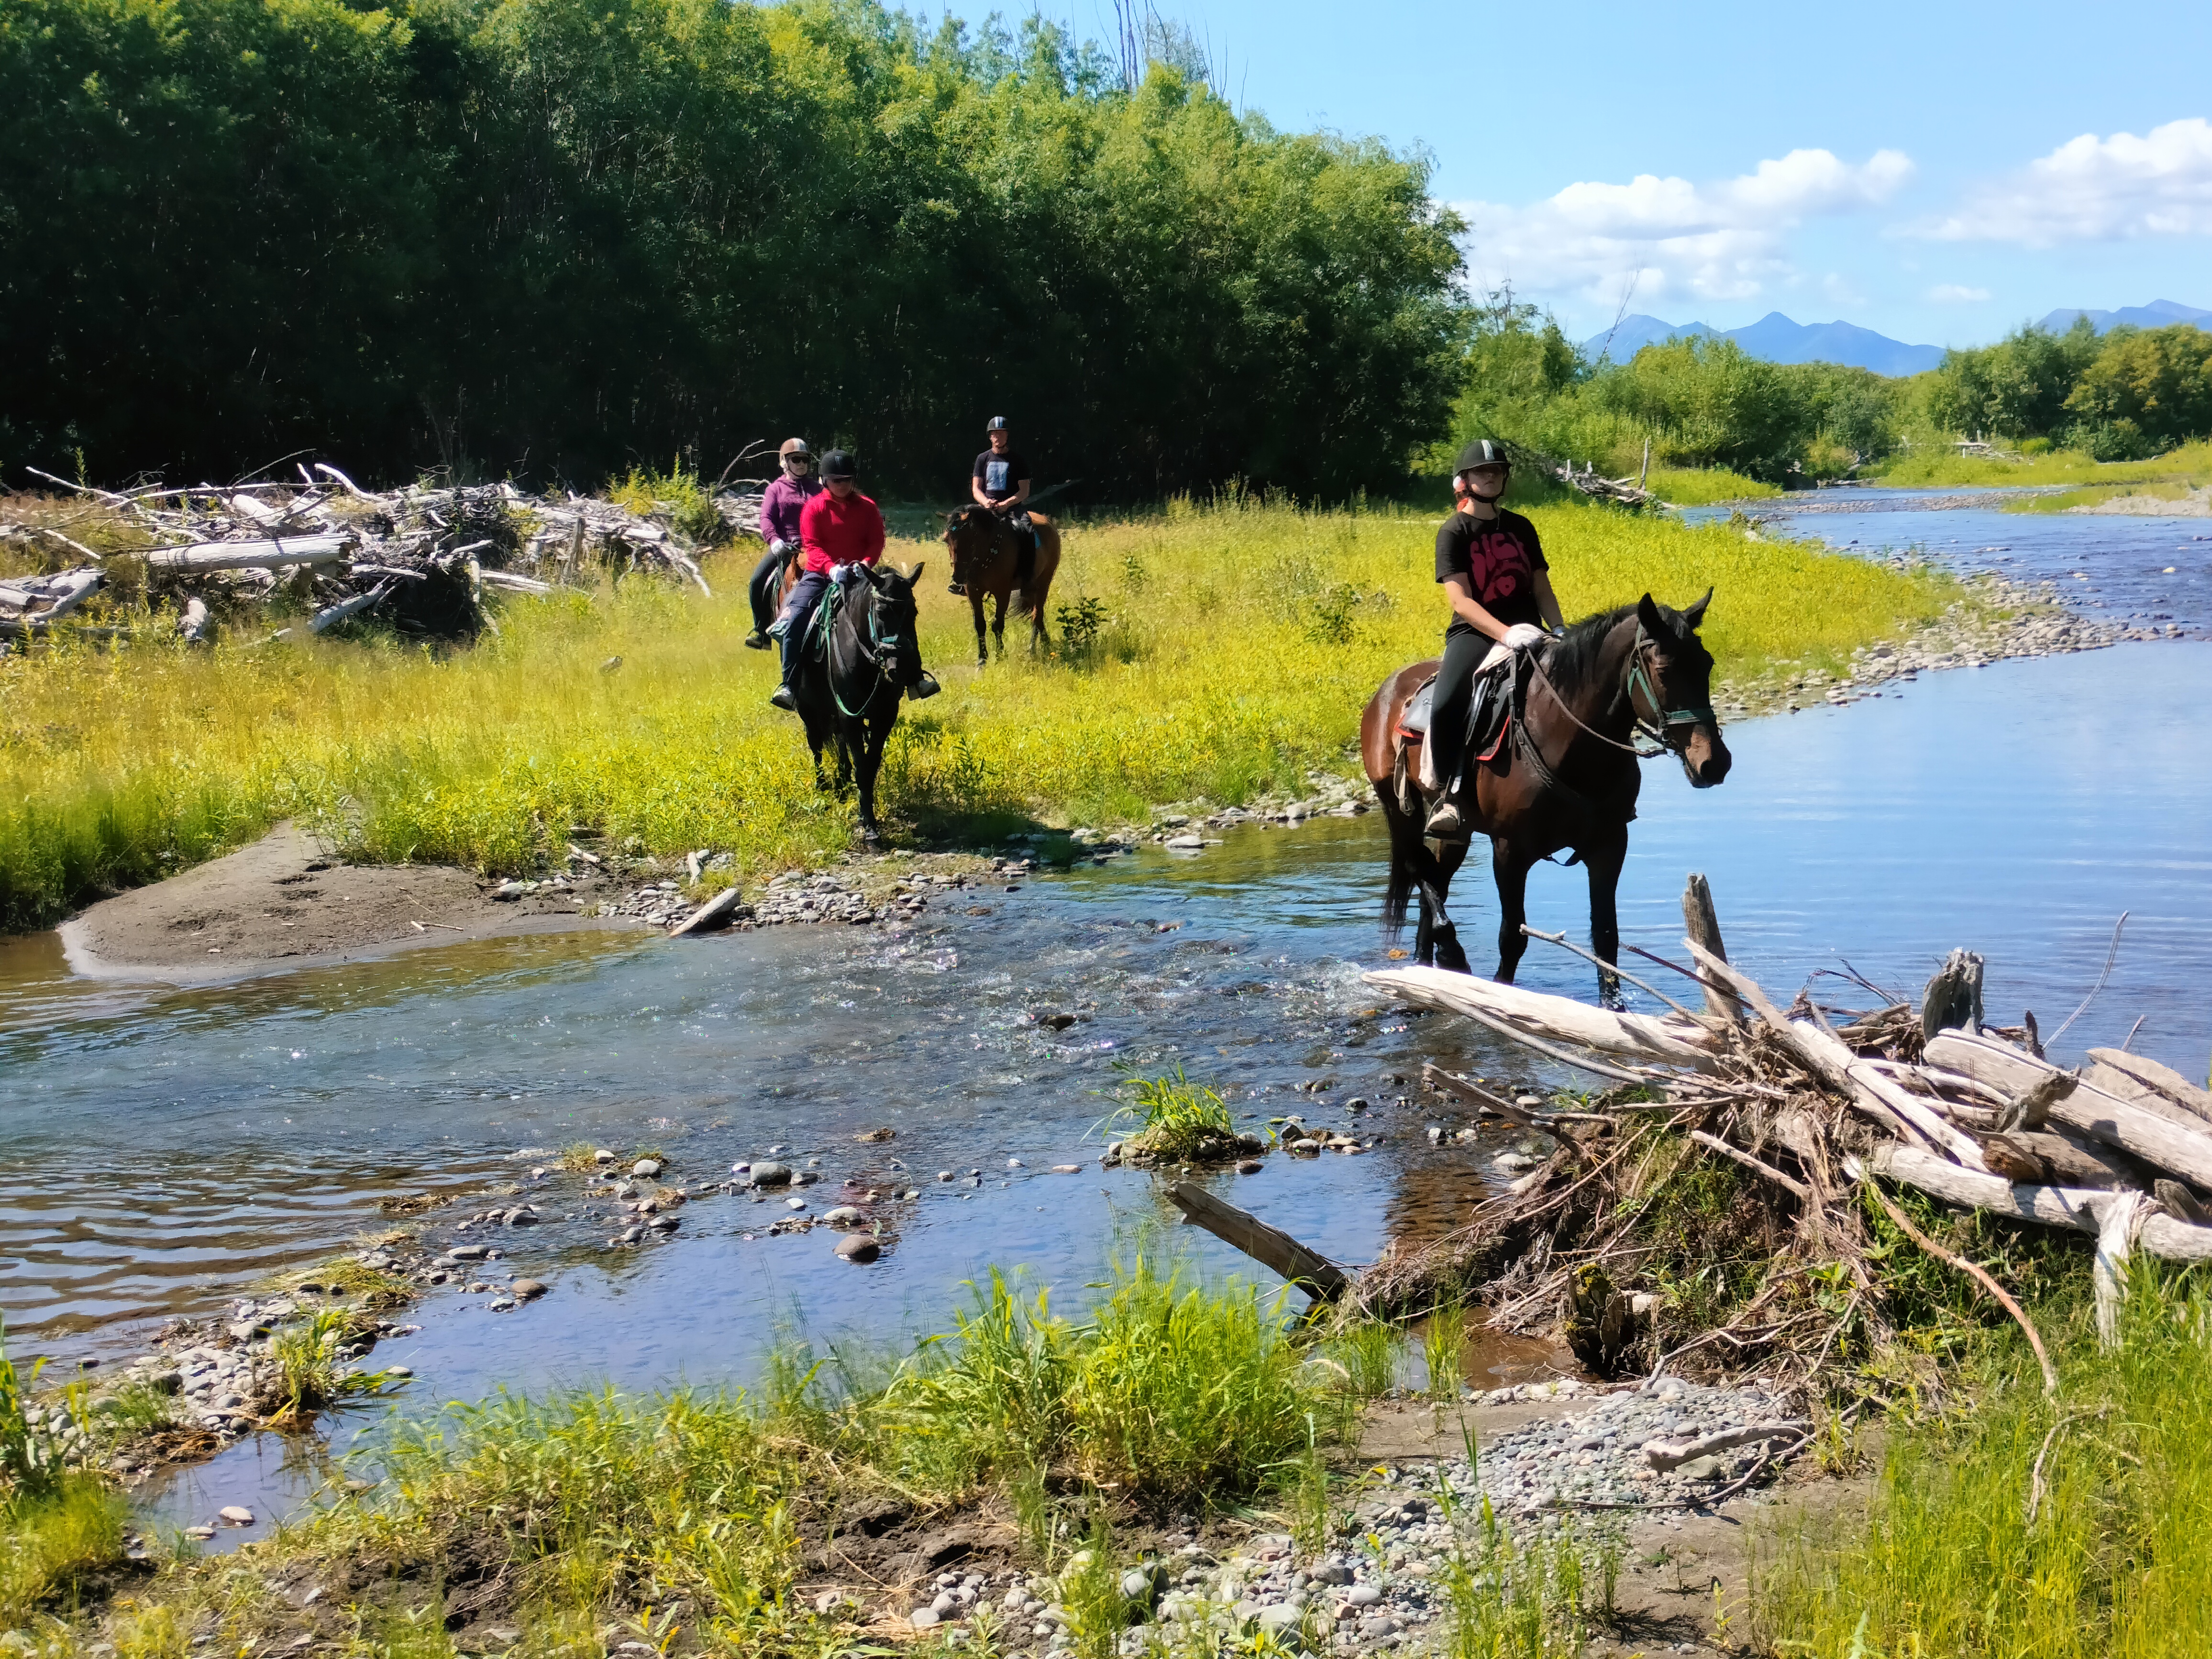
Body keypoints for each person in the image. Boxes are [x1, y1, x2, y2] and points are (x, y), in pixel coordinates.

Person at [1423, 438, 1564, 840]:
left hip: (1531, 629)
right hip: (1476, 633)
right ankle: (1449, 796)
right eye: (1482, 471)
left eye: (1497, 471)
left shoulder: (1521, 527)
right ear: (1464, 480)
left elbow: (1542, 588)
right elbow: (1461, 602)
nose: (1491, 476)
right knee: (1448, 701)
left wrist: (1560, 630)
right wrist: (1504, 633)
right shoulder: (1453, 533)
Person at [768, 450, 939, 708]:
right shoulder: (813, 508)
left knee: (899, 613)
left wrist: (867, 564)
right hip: (820, 576)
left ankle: (916, 678)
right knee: (794, 620)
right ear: (825, 480)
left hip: (862, 577)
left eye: (847, 479)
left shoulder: (868, 507)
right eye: (836, 480)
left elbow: (876, 541)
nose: (842, 485)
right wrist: (830, 568)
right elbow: (811, 545)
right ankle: (789, 685)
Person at [745, 438, 820, 650]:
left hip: (815, 548)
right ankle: (762, 631)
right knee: (756, 581)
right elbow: (766, 519)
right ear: (784, 462)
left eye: (805, 460)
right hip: (786, 547)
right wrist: (774, 540)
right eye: (796, 459)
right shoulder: (775, 490)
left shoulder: (818, 489)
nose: (802, 464)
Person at [964, 415, 1034, 591]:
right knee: (963, 531)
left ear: (1007, 436)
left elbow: (1024, 491)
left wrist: (1007, 504)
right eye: (995, 434)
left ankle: (1026, 577)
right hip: (987, 507)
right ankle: (963, 579)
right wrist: (986, 502)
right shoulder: (982, 459)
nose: (998, 437)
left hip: (1012, 507)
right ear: (990, 436)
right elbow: (976, 489)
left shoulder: (1018, 461)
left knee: (1028, 531)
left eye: (1002, 434)